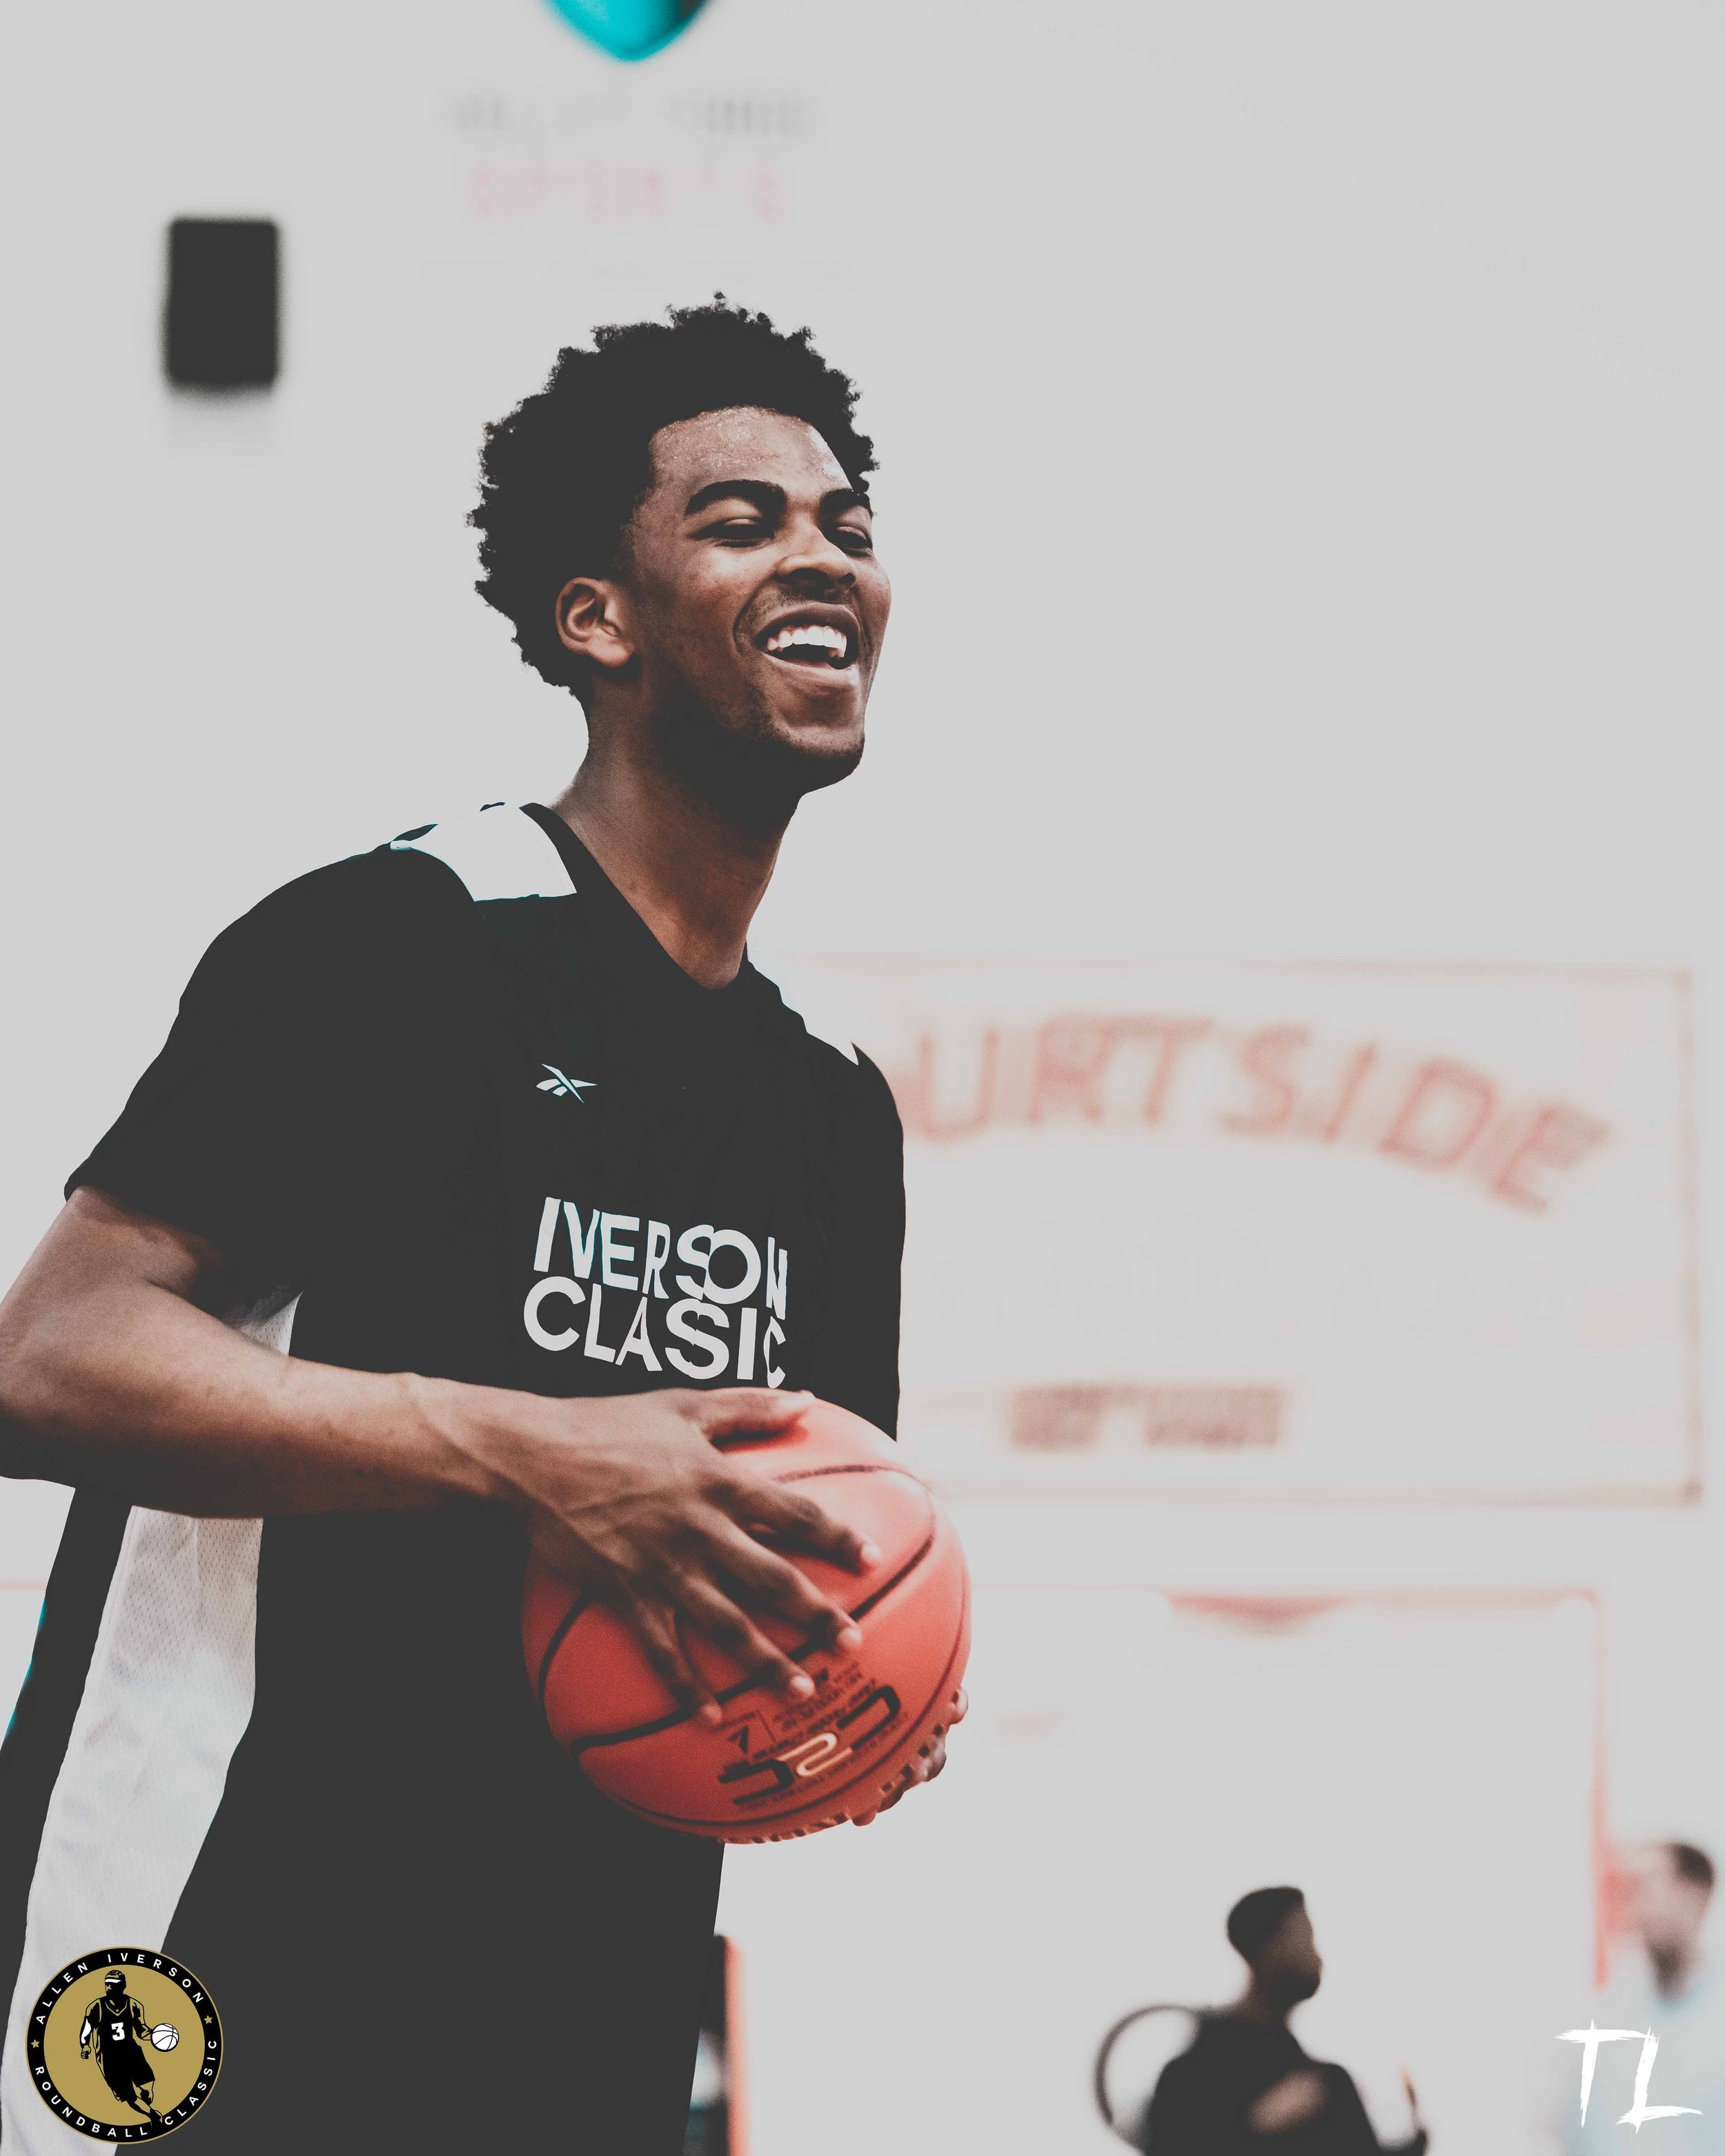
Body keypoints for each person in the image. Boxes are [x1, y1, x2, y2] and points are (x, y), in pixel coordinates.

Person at [0, 299, 960, 2153]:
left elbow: (816, 1524)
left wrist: (867, 1678)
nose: (823, 554)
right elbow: (47, 1357)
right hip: (221, 1932)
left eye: (846, 520)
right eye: (743, 519)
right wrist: (534, 1450)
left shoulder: (829, 1105)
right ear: (597, 618)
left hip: (583, 1980)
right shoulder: (396, 945)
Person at [1137, 1887, 1427, 2153]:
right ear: (1270, 1944)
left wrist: (1415, 2138)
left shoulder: (1325, 2081)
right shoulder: (1191, 2074)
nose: (1318, 1959)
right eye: (1306, 1938)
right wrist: (1256, 2128)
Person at [1564, 1842, 1724, 2153]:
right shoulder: (1609, 2021)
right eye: (1629, 1892)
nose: (1638, 1909)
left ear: (1696, 1895)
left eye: (1648, 1888)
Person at [78, 1971, 160, 2124]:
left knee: (147, 2090)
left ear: (123, 1986)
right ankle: (153, 2116)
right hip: (109, 2058)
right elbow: (86, 2030)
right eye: (107, 1984)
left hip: (131, 2051)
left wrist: (156, 2036)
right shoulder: (96, 2006)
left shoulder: (134, 2005)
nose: (109, 1987)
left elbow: (142, 2031)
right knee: (129, 2096)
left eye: (113, 1984)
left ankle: (147, 2104)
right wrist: (85, 2045)